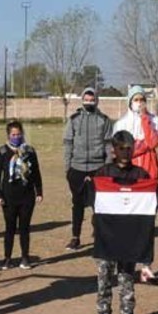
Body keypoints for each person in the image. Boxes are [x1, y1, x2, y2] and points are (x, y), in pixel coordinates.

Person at [87, 130, 158, 314]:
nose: (126, 152)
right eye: (122, 148)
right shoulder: (102, 174)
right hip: (106, 237)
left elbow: (153, 204)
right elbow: (92, 202)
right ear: (113, 150)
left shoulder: (141, 175)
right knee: (104, 280)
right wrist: (89, 184)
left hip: (130, 239)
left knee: (127, 283)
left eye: (130, 148)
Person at [113, 85, 158, 283]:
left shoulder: (155, 120)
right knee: (127, 222)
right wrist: (135, 148)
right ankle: (125, 265)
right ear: (129, 101)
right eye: (136, 99)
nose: (139, 103)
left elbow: (152, 142)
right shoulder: (121, 123)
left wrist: (144, 120)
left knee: (147, 224)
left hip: (149, 178)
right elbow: (121, 150)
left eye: (142, 99)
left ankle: (146, 266)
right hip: (127, 178)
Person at [62, 87, 112, 251]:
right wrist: (67, 168)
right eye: (86, 99)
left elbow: (108, 144)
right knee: (77, 204)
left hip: (97, 168)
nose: (89, 102)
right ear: (82, 100)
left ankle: (99, 234)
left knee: (99, 204)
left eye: (92, 99)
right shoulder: (74, 119)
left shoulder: (104, 120)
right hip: (77, 167)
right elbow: (68, 143)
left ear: (96, 100)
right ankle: (75, 237)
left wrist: (107, 167)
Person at [0, 121, 43, 270]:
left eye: (19, 134)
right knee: (9, 228)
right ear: (8, 135)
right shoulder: (2, 152)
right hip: (8, 196)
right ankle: (7, 258)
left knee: (25, 228)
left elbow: (36, 173)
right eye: (13, 135)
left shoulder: (30, 151)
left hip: (26, 195)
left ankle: (25, 258)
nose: (16, 137)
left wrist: (39, 191)